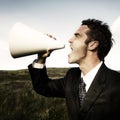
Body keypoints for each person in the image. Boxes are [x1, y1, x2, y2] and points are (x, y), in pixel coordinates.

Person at [28, 19, 120, 120]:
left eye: (77, 35)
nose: (70, 40)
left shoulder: (116, 83)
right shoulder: (71, 77)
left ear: (92, 45)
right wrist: (41, 58)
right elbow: (42, 87)